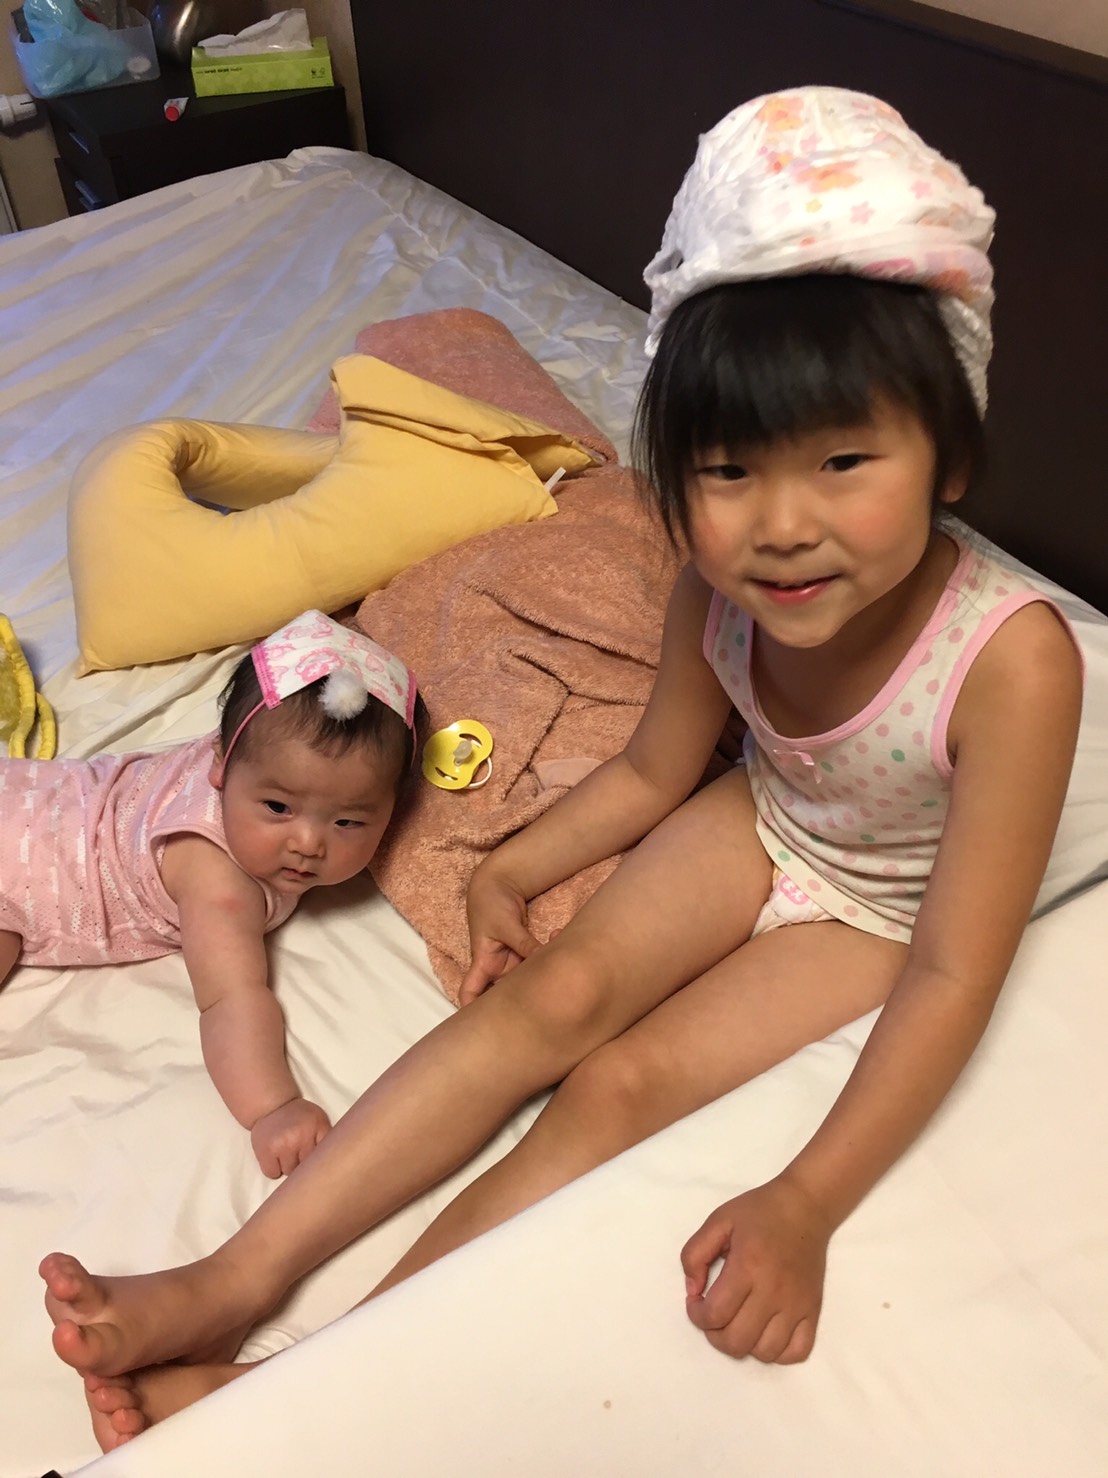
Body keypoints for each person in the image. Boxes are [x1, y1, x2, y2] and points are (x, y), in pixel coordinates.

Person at [41, 87, 1083, 1449]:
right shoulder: (717, 587)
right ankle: (231, 1280)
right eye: (727, 471)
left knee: (615, 1084)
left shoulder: (1015, 663)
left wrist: (806, 1197)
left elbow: (951, 967)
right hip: (765, 816)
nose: (783, 525)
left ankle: (311, 1370)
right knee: (551, 995)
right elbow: (653, 772)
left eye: (843, 461)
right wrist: (509, 869)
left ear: (950, 458)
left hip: (887, 913)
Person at [3, 608, 421, 1177]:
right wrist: (271, 1107)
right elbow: (230, 998)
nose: (307, 843)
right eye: (278, 807)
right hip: (25, 857)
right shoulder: (220, 881)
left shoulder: (257, 756)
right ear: (221, 767)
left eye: (348, 821)